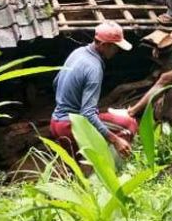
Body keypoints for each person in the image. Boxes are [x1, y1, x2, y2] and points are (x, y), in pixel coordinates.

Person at [50, 21, 137, 158]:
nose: (117, 51)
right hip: (70, 126)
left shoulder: (78, 52)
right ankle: (116, 169)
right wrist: (115, 140)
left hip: (55, 122)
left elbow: (56, 82)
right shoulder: (94, 68)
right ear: (104, 45)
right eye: (115, 47)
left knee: (75, 171)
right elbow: (88, 113)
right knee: (129, 123)